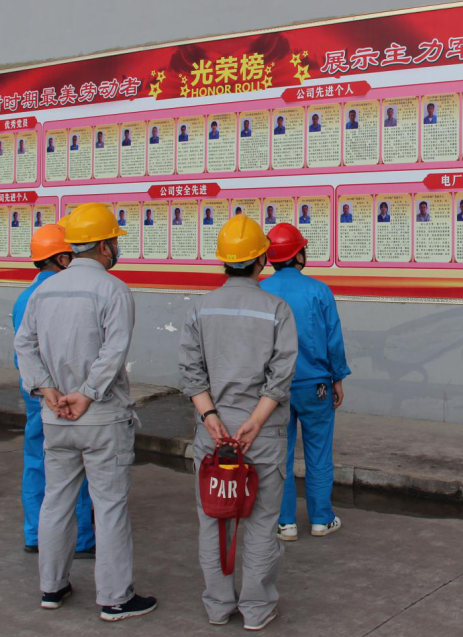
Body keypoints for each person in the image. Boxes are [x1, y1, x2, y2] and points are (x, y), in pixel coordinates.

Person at [14, 203, 157, 622]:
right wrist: (88, 394)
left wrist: (46, 388)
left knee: (56, 501)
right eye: (115, 241)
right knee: (109, 505)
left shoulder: (43, 290)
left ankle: (52, 587)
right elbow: (115, 351)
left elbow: (24, 345)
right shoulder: (113, 289)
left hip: (56, 415)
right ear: (105, 245)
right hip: (100, 418)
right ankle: (115, 598)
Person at [179, 214, 297, 630]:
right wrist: (255, 422)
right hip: (261, 433)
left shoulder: (199, 308)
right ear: (261, 259)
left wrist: (210, 416)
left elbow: (190, 372)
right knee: (263, 523)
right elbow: (281, 375)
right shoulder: (277, 309)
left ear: (224, 260)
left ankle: (218, 606)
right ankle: (257, 610)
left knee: (213, 520)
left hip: (213, 435)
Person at [261, 222, 349, 549]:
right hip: (316, 387)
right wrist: (337, 378)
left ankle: (285, 523)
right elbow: (333, 340)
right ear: (298, 254)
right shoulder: (319, 290)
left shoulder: (261, 291)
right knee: (319, 453)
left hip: (274, 390)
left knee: (279, 456)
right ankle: (321, 519)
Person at [12, 224, 96, 559]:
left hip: (36, 393)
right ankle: (81, 538)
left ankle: (35, 533)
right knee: (74, 467)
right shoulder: (69, 294)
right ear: (62, 258)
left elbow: (23, 350)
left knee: (36, 461)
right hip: (68, 397)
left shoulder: (25, 296)